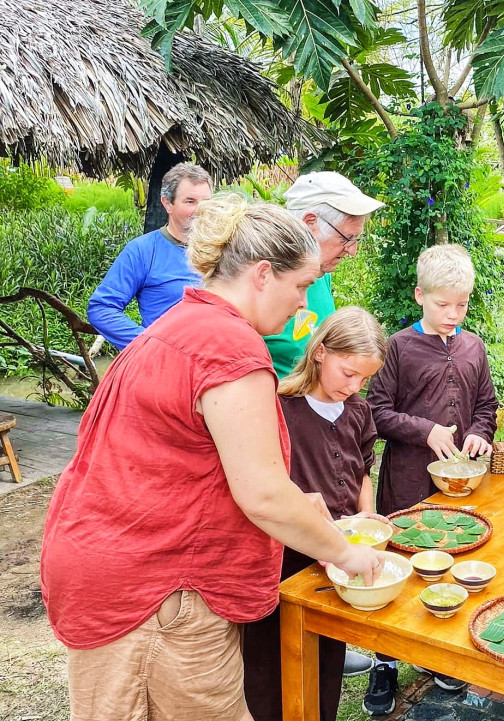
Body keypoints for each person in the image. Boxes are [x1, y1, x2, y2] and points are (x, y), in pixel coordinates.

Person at [41, 195, 381, 721]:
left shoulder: (181, 322)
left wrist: (298, 504)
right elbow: (263, 494)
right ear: (264, 274)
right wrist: (346, 552)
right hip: (156, 590)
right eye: (300, 286)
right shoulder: (232, 349)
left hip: (109, 567)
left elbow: (191, 463)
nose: (304, 304)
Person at [365, 243, 499, 714]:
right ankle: (385, 663)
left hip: (461, 485)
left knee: (447, 560)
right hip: (405, 481)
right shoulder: (397, 348)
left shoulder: (474, 347)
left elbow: (487, 405)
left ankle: (438, 655)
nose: (452, 314)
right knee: (398, 568)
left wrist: (481, 433)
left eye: (461, 305)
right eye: (443, 304)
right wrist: (427, 431)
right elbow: (376, 413)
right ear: (420, 295)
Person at [244, 306, 389, 721]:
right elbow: (263, 483)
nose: (355, 385)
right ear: (321, 351)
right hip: (284, 558)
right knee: (272, 661)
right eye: (349, 373)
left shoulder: (358, 411)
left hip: (338, 560)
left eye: (365, 378)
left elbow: (362, 471)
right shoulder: (280, 407)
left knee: (326, 654)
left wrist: (368, 515)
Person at [266, 171, 385, 377]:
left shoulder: (322, 275)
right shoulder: (263, 279)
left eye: (357, 239)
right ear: (310, 223)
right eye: (347, 238)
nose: (353, 250)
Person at [87, 162, 212, 349]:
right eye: (190, 201)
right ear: (167, 204)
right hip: (168, 365)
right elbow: (102, 308)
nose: (200, 210)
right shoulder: (142, 251)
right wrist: (151, 345)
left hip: (218, 365)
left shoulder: (225, 248)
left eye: (206, 202)